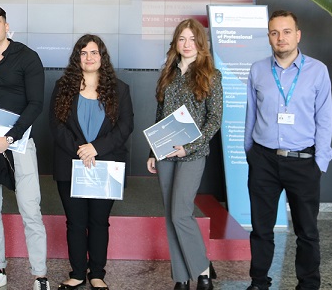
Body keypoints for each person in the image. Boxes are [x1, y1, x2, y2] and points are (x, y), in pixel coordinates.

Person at [244, 10, 332, 290]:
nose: (280, 37)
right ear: (269, 37)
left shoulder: (317, 71)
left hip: (303, 161)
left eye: (286, 32)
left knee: (307, 232)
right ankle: (259, 282)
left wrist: (320, 162)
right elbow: (251, 114)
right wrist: (251, 153)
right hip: (264, 160)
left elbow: (325, 118)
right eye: (274, 33)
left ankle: (308, 284)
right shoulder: (258, 70)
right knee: (261, 229)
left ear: (298, 35)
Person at [0, 6, 50, 290]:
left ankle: (40, 276)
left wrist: (11, 137)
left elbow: (36, 104)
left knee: (30, 210)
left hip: (20, 143)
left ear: (6, 26)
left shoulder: (27, 57)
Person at [50, 35, 134, 290]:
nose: (89, 57)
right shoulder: (63, 86)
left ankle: (97, 274)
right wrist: (81, 150)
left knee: (99, 222)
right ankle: (77, 274)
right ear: (77, 57)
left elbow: (125, 126)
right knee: (75, 223)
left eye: (94, 52)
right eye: (83, 52)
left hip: (105, 165)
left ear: (102, 57)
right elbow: (56, 126)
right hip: (70, 164)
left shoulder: (120, 89)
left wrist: (96, 148)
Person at [146, 18, 223, 290]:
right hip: (165, 153)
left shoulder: (211, 75)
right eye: (182, 39)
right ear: (175, 43)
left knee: (181, 213)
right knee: (171, 215)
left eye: (192, 39)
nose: (187, 44)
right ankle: (181, 278)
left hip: (192, 153)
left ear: (200, 43)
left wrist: (188, 147)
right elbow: (160, 115)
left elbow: (214, 120)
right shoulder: (168, 73)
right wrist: (153, 151)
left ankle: (203, 269)